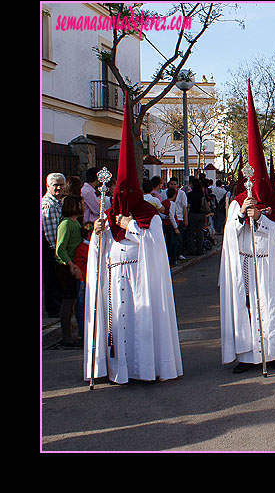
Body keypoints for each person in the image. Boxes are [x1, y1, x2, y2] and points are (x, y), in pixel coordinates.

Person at [85, 95, 182, 384]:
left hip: (141, 282)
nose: (124, 201)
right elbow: (99, 254)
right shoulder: (109, 213)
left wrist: (130, 226)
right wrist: (99, 233)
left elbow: (154, 248)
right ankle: (117, 369)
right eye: (120, 195)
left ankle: (145, 367)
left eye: (129, 194)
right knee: (118, 326)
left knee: (140, 325)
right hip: (115, 282)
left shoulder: (148, 216)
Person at [219, 82, 275, 374]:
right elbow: (229, 236)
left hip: (271, 267)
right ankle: (248, 356)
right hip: (246, 264)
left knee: (272, 308)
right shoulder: (236, 202)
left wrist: (262, 218)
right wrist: (242, 216)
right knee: (247, 309)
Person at [55, 194, 86, 348]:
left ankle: (74, 332)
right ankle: (66, 336)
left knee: (73, 299)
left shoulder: (75, 223)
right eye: (81, 204)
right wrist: (71, 264)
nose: (84, 206)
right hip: (66, 267)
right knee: (67, 300)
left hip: (75, 265)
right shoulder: (66, 224)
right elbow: (60, 249)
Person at [42, 173, 66, 320]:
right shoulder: (48, 205)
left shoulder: (58, 202)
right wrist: (58, 252)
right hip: (52, 249)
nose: (59, 188)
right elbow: (51, 233)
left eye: (61, 185)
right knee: (52, 279)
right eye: (55, 185)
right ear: (48, 186)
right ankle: (53, 309)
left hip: (57, 248)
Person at [73, 221, 94, 346]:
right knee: (81, 308)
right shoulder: (82, 248)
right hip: (84, 280)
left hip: (88, 280)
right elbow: (80, 264)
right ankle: (83, 333)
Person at [186, 177, 208, 256]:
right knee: (200, 233)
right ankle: (200, 250)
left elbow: (188, 205)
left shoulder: (190, 194)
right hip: (202, 214)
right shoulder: (201, 193)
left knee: (190, 232)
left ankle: (192, 249)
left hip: (193, 214)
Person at [161, 187, 180, 266]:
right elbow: (172, 216)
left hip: (165, 224)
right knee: (172, 243)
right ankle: (172, 260)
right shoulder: (172, 204)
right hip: (171, 225)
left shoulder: (163, 202)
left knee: (167, 242)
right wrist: (175, 228)